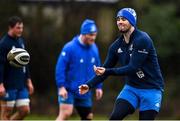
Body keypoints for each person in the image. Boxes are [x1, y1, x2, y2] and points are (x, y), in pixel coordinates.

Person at [79, 8, 164, 120]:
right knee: (115, 117)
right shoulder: (116, 46)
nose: (120, 22)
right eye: (118, 19)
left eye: (123, 19)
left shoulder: (143, 39)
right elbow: (104, 71)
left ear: (132, 21)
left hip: (151, 89)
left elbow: (133, 68)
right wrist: (89, 85)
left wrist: (107, 71)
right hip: (131, 88)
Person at [55, 19, 103, 120]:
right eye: (91, 35)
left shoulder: (94, 48)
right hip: (69, 90)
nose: (93, 38)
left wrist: (99, 86)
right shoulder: (69, 47)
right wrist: (61, 86)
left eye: (95, 35)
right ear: (83, 33)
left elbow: (99, 68)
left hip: (85, 90)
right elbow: (60, 68)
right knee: (66, 113)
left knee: (88, 117)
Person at [0, 16, 34, 120]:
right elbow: (0, 66)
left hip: (21, 84)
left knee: (25, 110)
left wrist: (29, 80)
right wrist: (0, 85)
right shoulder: (4, 44)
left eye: (22, 28)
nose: (21, 30)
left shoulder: (21, 42)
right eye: (18, 28)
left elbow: (25, 62)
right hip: (8, 85)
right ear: (10, 28)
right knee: (6, 113)